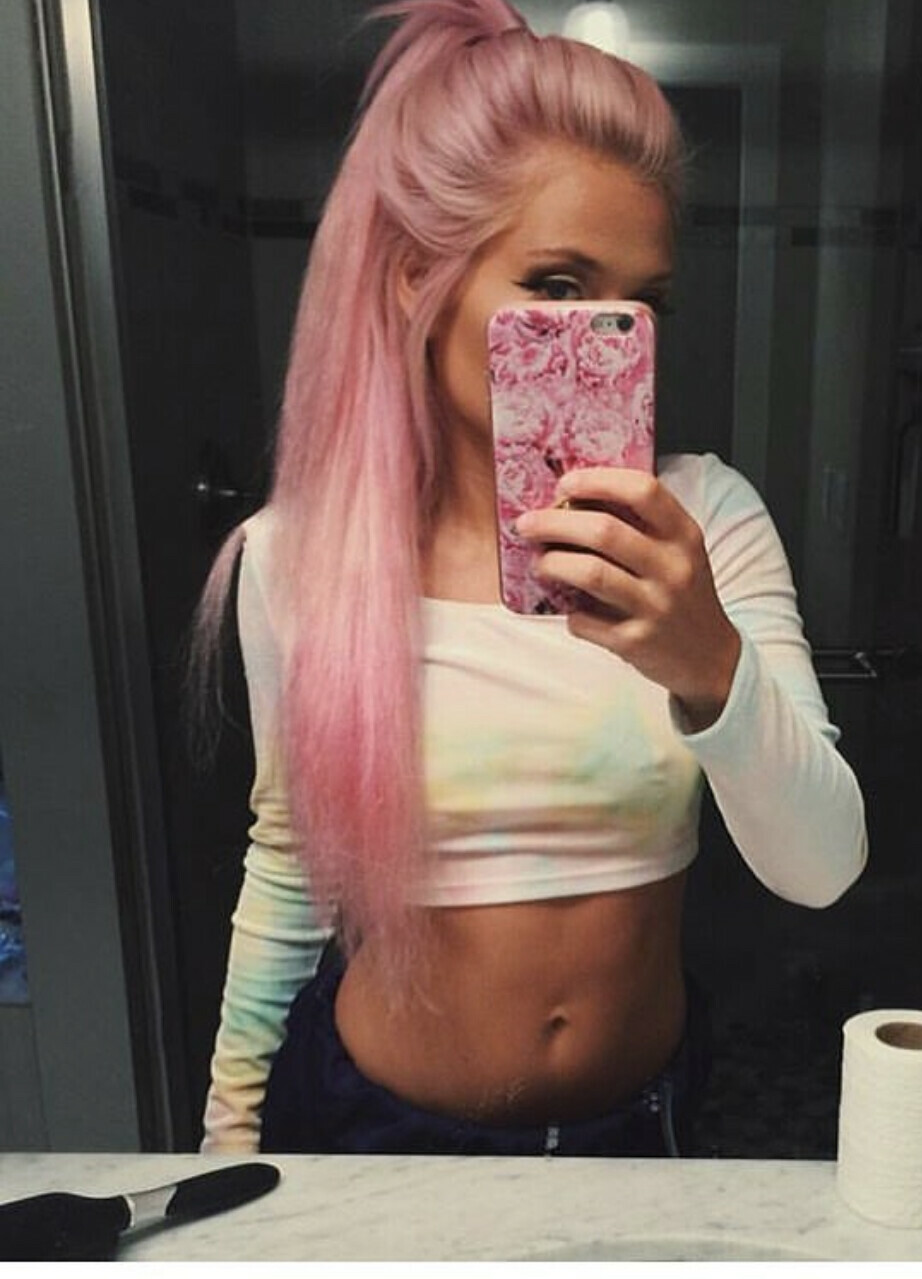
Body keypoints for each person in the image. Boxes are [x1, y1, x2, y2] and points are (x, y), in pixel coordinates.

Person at [195, 0, 867, 1158]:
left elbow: (822, 869)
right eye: (556, 285)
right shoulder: (305, 555)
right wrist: (228, 1136)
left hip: (637, 1127)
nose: (599, 333)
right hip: (369, 1133)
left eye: (639, 304)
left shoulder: (706, 521)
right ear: (418, 277)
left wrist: (707, 664)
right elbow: (290, 863)